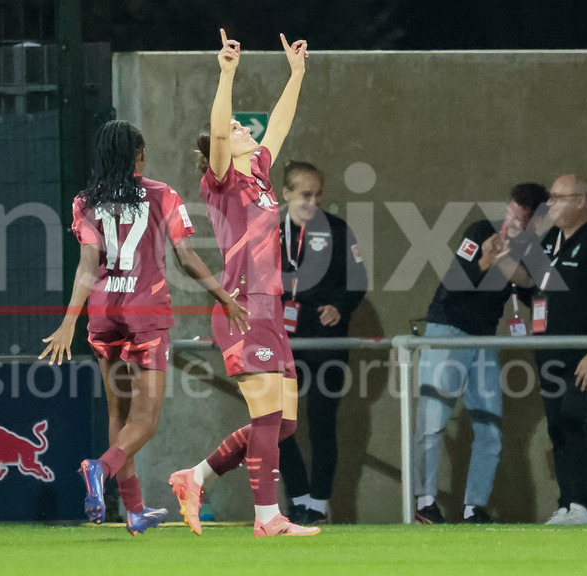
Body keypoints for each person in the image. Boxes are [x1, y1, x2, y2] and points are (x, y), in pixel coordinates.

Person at [39, 119, 248, 536]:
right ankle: (101, 468)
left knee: (119, 414)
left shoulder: (85, 202)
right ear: (137, 156)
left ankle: (133, 510)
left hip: (102, 314)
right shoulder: (161, 194)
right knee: (146, 420)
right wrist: (225, 299)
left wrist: (67, 324)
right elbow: (186, 257)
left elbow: (87, 266)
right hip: (146, 314)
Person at [167, 29, 321, 537]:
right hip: (240, 309)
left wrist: (296, 75)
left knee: (285, 424)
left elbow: (278, 123)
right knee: (269, 420)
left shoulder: (257, 170)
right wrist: (226, 73)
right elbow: (217, 130)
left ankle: (197, 475)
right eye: (232, 128)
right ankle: (267, 519)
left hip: (270, 311)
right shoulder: (222, 179)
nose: (239, 127)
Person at [412, 183, 549, 525]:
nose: (509, 224)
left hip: (484, 337)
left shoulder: (530, 248)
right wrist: (489, 259)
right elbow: (459, 279)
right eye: (509, 214)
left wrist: (505, 260)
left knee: (489, 425)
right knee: (433, 419)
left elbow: (529, 282)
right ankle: (425, 502)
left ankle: (475, 507)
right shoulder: (480, 231)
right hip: (448, 328)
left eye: (519, 221)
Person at [276, 160, 368, 525]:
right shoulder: (268, 231)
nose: (312, 202)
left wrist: (340, 308)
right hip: (283, 342)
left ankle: (317, 503)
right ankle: (298, 495)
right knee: (278, 423)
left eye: (318, 195)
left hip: (326, 341)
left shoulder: (337, 230)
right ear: (285, 193)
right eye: (305, 194)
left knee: (321, 421)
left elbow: (358, 280)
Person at [530, 174, 587, 525]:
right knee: (557, 427)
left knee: (576, 422)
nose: (550, 204)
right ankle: (565, 504)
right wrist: (501, 259)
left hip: (582, 356)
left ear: (581, 202)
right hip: (549, 353)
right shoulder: (551, 239)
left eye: (557, 197)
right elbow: (530, 281)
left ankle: (581, 506)